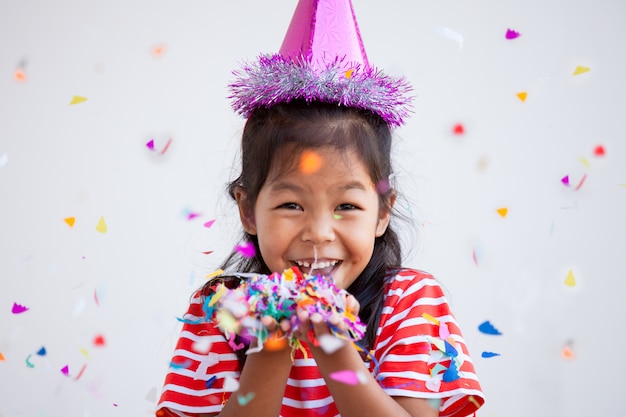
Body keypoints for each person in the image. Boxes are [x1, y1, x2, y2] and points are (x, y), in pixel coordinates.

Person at [157, 1, 484, 416]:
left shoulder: (408, 300)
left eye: (346, 205)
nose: (319, 233)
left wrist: (334, 344)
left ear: (382, 212)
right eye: (291, 204)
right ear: (248, 211)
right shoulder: (220, 308)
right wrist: (272, 345)